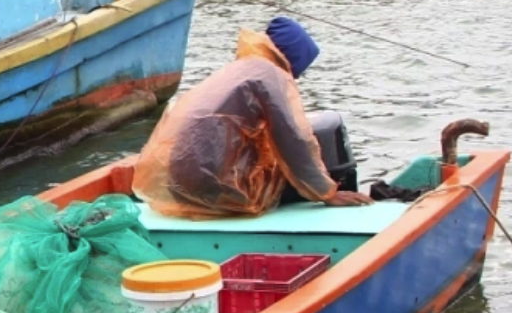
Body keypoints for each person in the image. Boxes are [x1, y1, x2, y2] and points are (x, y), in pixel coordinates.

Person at [131, 16, 372, 219]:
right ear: (293, 59)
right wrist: (326, 192)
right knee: (306, 179)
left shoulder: (245, 68)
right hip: (213, 188)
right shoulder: (271, 76)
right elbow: (294, 141)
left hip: (178, 185)